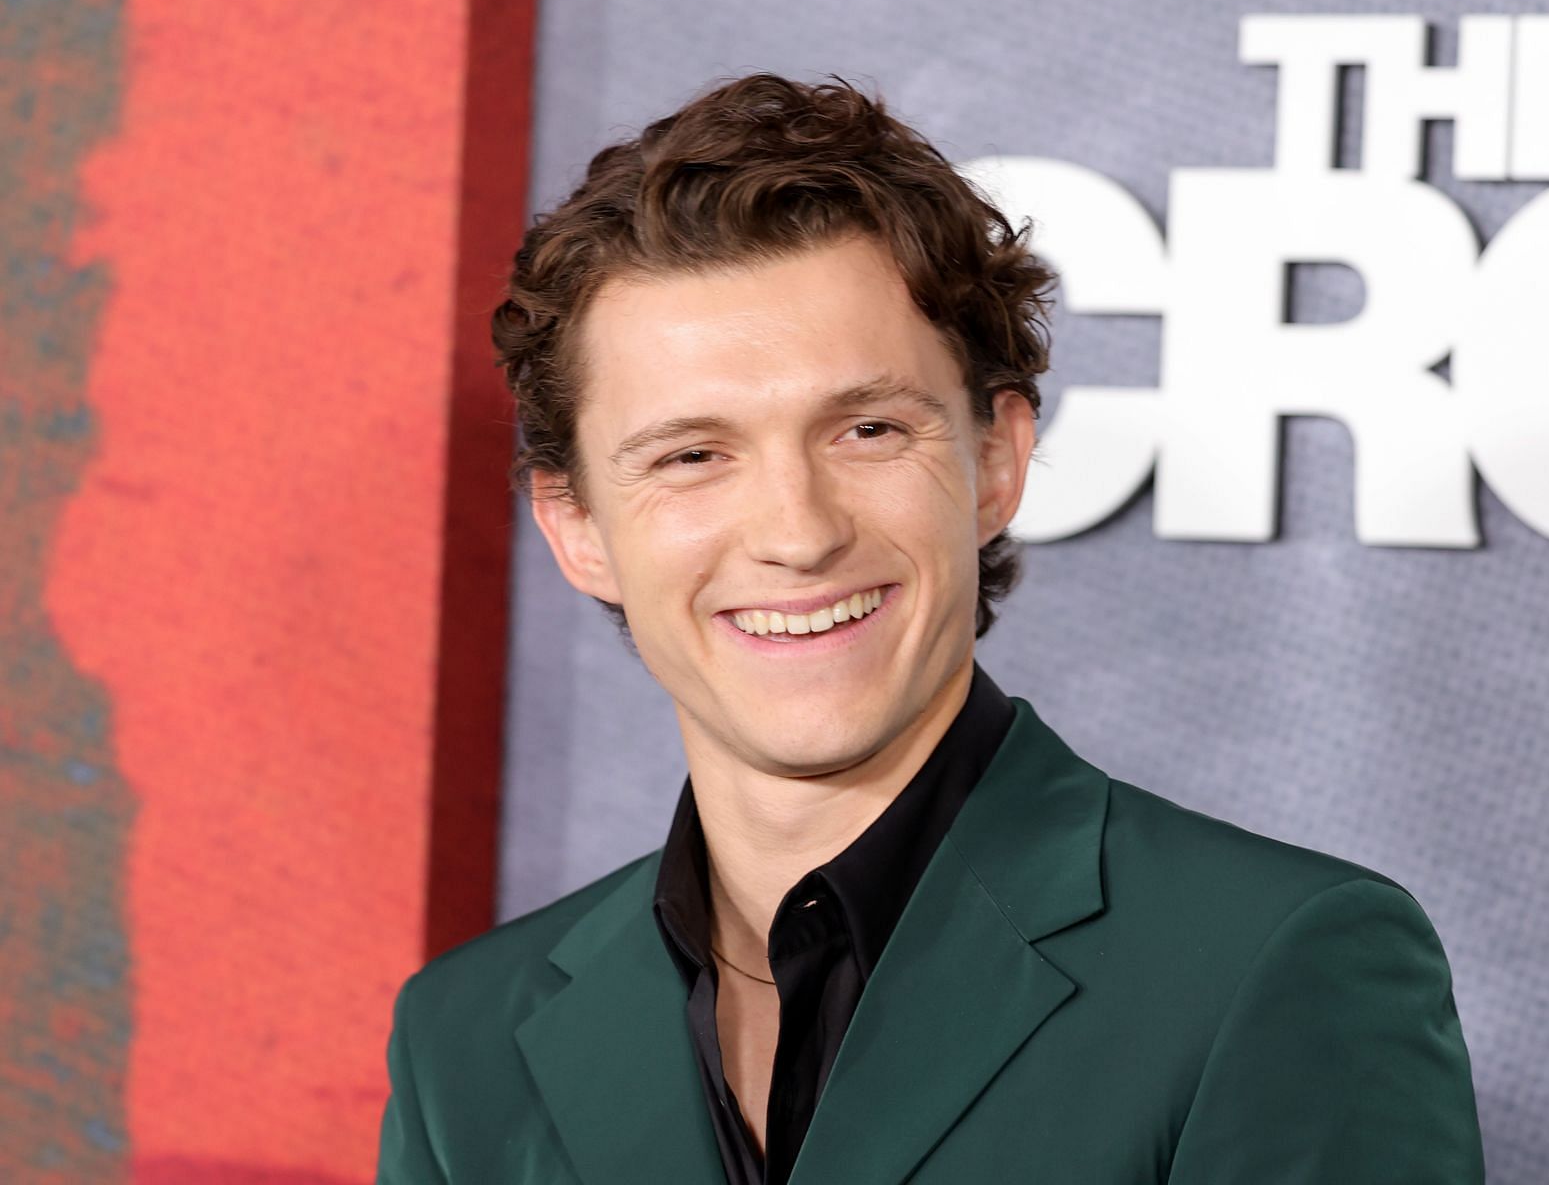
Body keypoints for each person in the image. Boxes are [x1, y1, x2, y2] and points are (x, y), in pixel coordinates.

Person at [375, 74, 1484, 1184]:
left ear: (995, 459)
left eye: (865, 427)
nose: (798, 532)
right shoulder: (468, 1040)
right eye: (692, 455)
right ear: (577, 527)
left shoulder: (1270, 965)